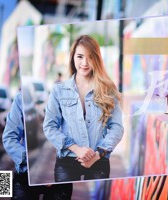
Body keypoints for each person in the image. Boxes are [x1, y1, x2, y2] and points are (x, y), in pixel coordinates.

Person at [43, 35, 124, 182]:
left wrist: (98, 154)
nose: (85, 63)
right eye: (80, 56)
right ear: (73, 57)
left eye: (90, 57)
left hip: (99, 160)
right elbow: (49, 126)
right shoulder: (59, 91)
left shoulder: (108, 89)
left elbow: (117, 127)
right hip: (67, 159)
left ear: (96, 59)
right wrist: (77, 149)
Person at [2, 90, 73, 199]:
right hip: (25, 175)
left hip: (60, 178)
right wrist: (28, 161)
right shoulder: (21, 98)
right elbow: (9, 137)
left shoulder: (74, 99)